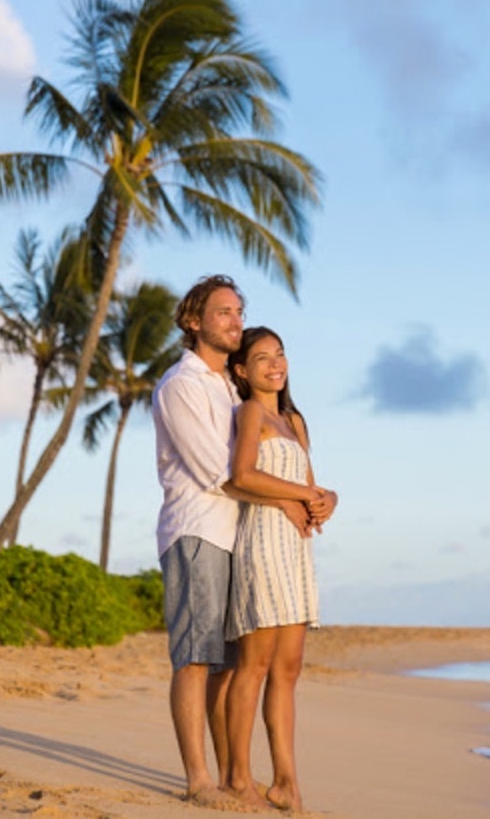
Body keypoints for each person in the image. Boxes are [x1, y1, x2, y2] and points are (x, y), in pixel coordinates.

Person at [152, 277, 329, 805]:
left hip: (238, 536)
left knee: (229, 665)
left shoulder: (231, 389)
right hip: (197, 529)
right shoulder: (181, 385)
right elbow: (220, 472)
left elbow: (258, 469)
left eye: (238, 312)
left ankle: (235, 774)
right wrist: (295, 498)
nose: (234, 320)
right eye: (223, 312)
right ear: (194, 321)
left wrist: (315, 498)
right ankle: (198, 780)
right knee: (195, 657)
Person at [222, 326, 337, 811]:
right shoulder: (250, 412)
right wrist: (302, 496)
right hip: (263, 540)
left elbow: (309, 483)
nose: (276, 363)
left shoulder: (295, 421)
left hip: (295, 547)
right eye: (262, 357)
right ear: (242, 371)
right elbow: (241, 475)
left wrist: (327, 498)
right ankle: (237, 777)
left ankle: (286, 780)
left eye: (281, 354)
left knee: (288, 670)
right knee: (256, 664)